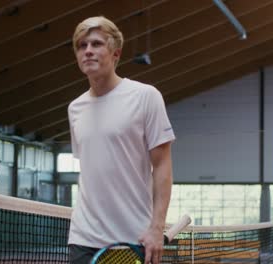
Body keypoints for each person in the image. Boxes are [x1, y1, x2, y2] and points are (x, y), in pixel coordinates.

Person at [67, 16, 175, 264]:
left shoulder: (146, 97)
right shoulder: (75, 109)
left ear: (116, 53)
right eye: (82, 46)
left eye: (96, 44)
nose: (88, 51)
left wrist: (157, 228)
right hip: (83, 239)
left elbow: (162, 166)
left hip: (133, 238)